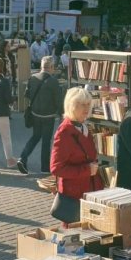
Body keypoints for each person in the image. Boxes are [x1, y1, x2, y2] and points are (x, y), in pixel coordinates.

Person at [50, 87, 103, 223]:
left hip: (90, 192)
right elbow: (56, 168)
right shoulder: (64, 132)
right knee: (76, 237)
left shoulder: (83, 127)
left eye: (88, 104)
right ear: (71, 106)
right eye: (81, 104)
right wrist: (87, 170)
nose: (86, 108)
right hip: (74, 197)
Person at [18, 55, 63, 175]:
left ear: (41, 66)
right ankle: (44, 168)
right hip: (48, 115)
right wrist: (62, 114)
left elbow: (27, 95)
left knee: (35, 136)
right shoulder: (53, 82)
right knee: (46, 141)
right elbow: (59, 101)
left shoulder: (32, 78)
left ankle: (23, 157)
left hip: (35, 113)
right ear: (51, 67)